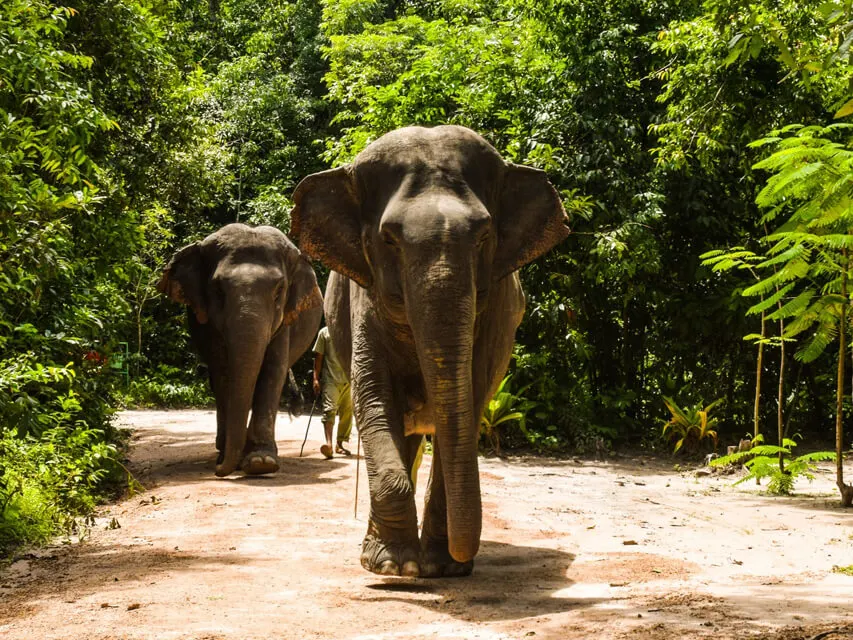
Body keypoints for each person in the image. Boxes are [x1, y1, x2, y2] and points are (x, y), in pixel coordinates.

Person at [312, 325, 353, 459]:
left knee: (347, 413)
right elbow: (318, 357)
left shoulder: (350, 331)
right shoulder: (324, 332)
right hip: (330, 378)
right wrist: (315, 378)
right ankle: (328, 444)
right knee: (329, 410)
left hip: (348, 379)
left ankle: (340, 444)